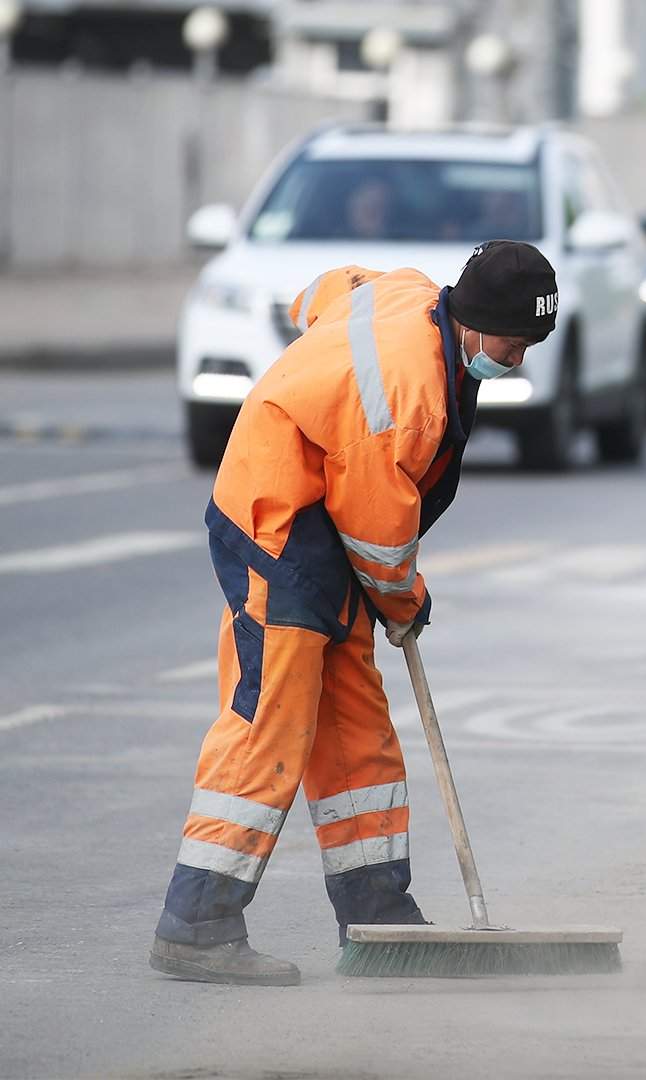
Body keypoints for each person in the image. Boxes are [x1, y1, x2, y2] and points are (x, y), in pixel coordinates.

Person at [148, 241, 559, 986]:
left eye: (532, 346)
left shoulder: (408, 294)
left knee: (355, 723)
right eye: (513, 343)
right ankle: (197, 921)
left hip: (324, 511)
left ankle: (379, 920)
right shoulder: (406, 395)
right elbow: (378, 533)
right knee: (272, 715)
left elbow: (329, 291)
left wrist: (317, 356)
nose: (519, 360)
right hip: (278, 516)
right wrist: (407, 605)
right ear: (472, 322)